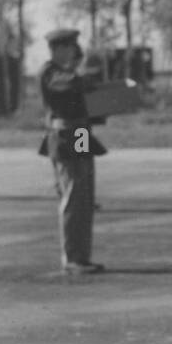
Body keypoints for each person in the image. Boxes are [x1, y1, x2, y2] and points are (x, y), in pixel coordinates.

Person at [38, 28, 106, 274]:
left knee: (84, 196)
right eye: (69, 47)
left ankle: (81, 256)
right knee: (73, 196)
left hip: (79, 134)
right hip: (66, 136)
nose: (73, 51)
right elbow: (68, 84)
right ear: (57, 49)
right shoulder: (50, 72)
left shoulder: (66, 73)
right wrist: (86, 78)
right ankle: (73, 258)